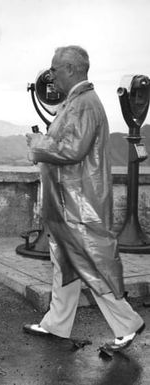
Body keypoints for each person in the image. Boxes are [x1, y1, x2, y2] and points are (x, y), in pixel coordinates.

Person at [23, 45, 145, 353]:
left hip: (79, 204)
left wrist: (38, 144)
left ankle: (127, 324)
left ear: (73, 70)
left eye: (56, 68)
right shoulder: (76, 102)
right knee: (64, 264)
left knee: (92, 264)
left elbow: (71, 149)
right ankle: (56, 323)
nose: (50, 74)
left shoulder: (84, 104)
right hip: (67, 203)